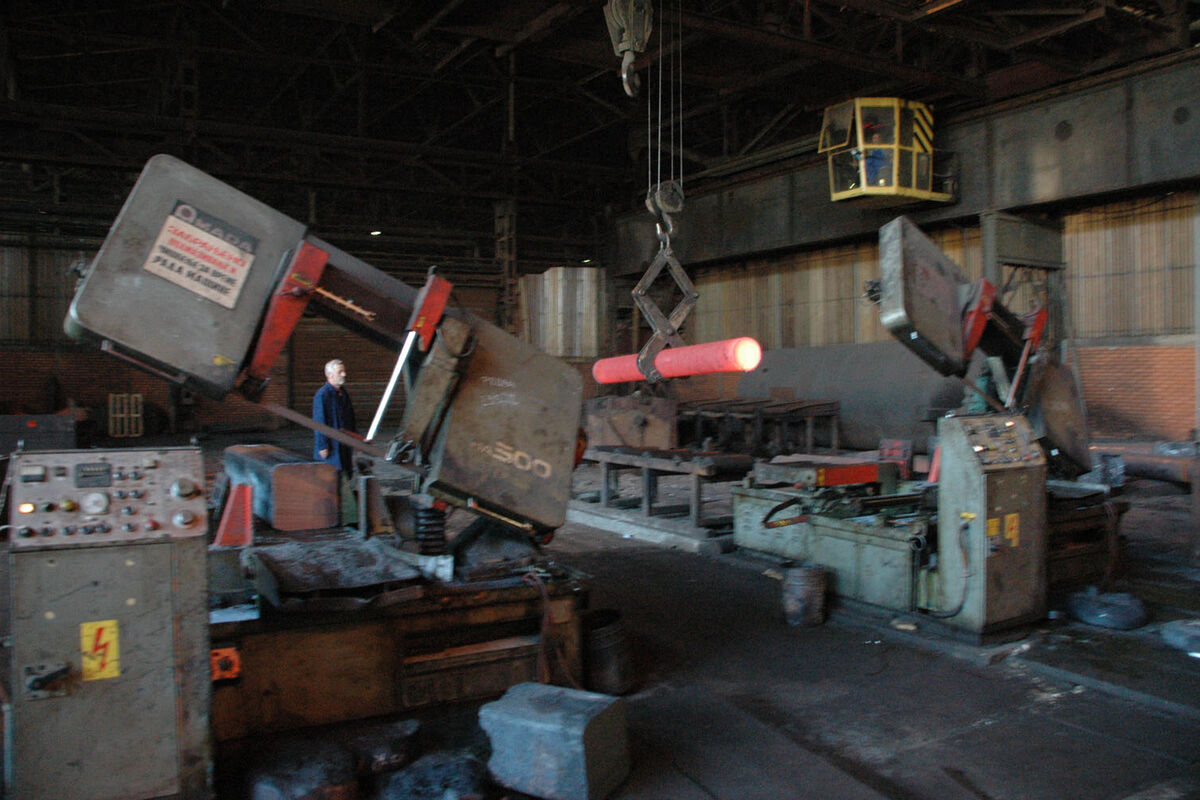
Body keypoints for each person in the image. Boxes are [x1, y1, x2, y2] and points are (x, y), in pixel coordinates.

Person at [313, 358, 357, 472]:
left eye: (344, 371)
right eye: (340, 372)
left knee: (346, 472)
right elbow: (319, 422)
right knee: (331, 475)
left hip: (344, 443)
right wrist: (322, 446)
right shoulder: (322, 395)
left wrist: (356, 439)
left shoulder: (343, 393)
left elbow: (350, 418)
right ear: (330, 374)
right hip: (331, 446)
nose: (344, 374)